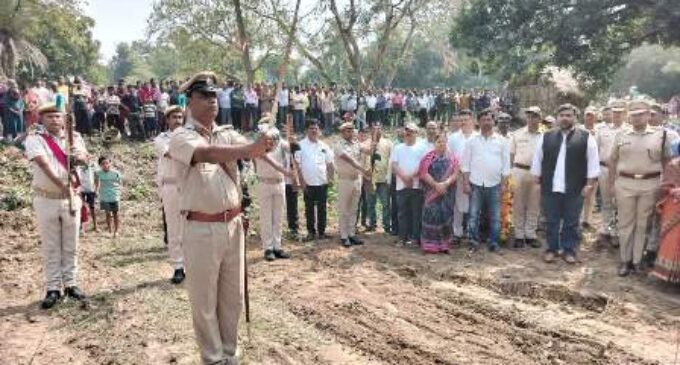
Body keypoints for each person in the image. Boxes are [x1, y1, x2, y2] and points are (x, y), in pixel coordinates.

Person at [168, 72, 270, 364]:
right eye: (204, 96)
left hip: (233, 224)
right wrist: (250, 149)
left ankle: (229, 354)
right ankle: (212, 358)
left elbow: (250, 146)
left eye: (214, 96)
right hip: (200, 227)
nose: (212, 100)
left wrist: (266, 140)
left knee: (232, 297)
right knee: (204, 301)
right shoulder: (181, 136)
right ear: (189, 102)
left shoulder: (225, 132)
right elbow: (207, 153)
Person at [24, 103, 89, 309]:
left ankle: (71, 283)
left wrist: (78, 158)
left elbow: (85, 158)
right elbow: (44, 164)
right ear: (41, 119)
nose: (54, 119)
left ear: (63, 119)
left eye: (57, 116)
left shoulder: (75, 138)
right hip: (47, 198)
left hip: (71, 199)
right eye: (49, 116)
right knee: (51, 245)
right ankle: (53, 287)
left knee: (71, 244)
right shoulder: (35, 139)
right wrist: (63, 185)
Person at [531, 104, 600, 264]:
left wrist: (589, 185)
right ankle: (551, 249)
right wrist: (537, 181)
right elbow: (537, 160)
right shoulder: (546, 136)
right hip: (550, 186)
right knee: (551, 220)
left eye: (568, 115)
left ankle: (569, 250)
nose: (565, 118)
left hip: (575, 188)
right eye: (562, 115)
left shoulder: (586, 137)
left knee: (571, 221)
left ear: (575, 118)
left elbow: (593, 162)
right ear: (557, 117)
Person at [609, 100, 670, 276]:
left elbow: (666, 163)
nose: (637, 117)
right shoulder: (621, 135)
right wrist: (612, 184)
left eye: (641, 114)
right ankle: (625, 260)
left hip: (650, 184)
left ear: (649, 114)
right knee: (625, 223)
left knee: (644, 224)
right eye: (634, 114)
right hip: (625, 183)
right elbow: (613, 161)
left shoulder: (660, 135)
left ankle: (637, 261)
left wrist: (664, 186)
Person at [461, 109, 511, 252]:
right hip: (475, 183)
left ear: (493, 121)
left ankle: (493, 242)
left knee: (495, 216)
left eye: (489, 120)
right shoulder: (471, 141)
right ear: (479, 122)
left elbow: (506, 166)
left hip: (495, 184)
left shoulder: (502, 141)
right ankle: (473, 241)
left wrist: (503, 185)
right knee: (473, 214)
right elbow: (465, 165)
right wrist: (465, 183)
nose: (486, 122)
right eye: (483, 120)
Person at [154, 105, 186, 284]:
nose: (178, 120)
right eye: (174, 117)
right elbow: (170, 154)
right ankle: (178, 266)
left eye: (180, 117)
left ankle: (191, 263)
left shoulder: (189, 136)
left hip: (188, 186)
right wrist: (191, 153)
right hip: (171, 185)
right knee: (174, 227)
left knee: (190, 226)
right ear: (167, 120)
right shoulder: (161, 138)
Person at [254, 121, 292, 261]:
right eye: (268, 139)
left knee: (278, 216)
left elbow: (293, 148)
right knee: (266, 217)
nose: (271, 142)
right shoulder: (258, 146)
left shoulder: (280, 143)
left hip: (279, 183)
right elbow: (269, 160)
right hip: (265, 183)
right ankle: (268, 248)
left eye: (273, 139)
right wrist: (286, 172)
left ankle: (277, 246)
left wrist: (292, 140)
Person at [418, 133, 459, 253]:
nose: (442, 144)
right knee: (431, 217)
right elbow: (423, 173)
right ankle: (429, 246)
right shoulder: (428, 157)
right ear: (434, 143)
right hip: (431, 192)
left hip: (447, 192)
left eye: (444, 141)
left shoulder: (453, 158)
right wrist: (436, 185)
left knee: (445, 217)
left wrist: (445, 184)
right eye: (439, 142)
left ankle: (445, 245)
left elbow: (455, 173)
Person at [296, 119, 334, 241]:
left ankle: (322, 232)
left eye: (316, 128)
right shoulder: (300, 145)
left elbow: (329, 164)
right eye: (311, 128)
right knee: (309, 209)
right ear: (306, 130)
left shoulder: (324, 146)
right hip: (308, 183)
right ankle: (311, 232)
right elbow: (297, 165)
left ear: (319, 130)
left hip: (322, 182)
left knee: (322, 208)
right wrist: (301, 182)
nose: (314, 130)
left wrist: (331, 178)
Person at [334, 121, 371, 247]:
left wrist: (375, 138)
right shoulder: (339, 145)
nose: (350, 133)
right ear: (342, 132)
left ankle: (351, 233)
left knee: (354, 208)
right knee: (344, 208)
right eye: (347, 131)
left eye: (351, 130)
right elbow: (350, 160)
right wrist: (363, 170)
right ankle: (344, 236)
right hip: (345, 180)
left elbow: (369, 151)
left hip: (356, 179)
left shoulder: (356, 144)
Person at [595, 100, 627, 246]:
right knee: (606, 201)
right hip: (604, 169)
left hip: (621, 171)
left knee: (619, 202)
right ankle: (606, 229)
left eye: (620, 113)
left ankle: (616, 231)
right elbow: (595, 151)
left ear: (625, 114)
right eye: (614, 112)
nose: (617, 115)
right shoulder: (602, 130)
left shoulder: (628, 131)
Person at [510, 106, 543, 248]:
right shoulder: (517, 134)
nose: (531, 119)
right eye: (529, 116)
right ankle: (519, 234)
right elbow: (511, 156)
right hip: (519, 170)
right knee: (518, 204)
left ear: (539, 118)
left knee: (534, 204)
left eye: (534, 116)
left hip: (536, 173)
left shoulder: (544, 136)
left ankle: (530, 234)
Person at [391, 122, 428, 246]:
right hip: (401, 185)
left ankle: (415, 238)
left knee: (416, 213)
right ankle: (402, 238)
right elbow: (394, 164)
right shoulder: (398, 147)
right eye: (406, 131)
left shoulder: (422, 148)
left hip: (416, 186)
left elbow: (423, 165)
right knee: (402, 213)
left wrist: (411, 177)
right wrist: (404, 177)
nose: (408, 133)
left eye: (411, 131)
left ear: (416, 133)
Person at [651, 140, 680, 283]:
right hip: (673, 206)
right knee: (672, 239)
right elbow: (664, 187)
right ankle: (667, 275)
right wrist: (674, 191)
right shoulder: (673, 165)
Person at [447, 110, 478, 243]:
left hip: (475, 176)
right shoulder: (453, 137)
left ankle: (472, 233)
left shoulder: (478, 137)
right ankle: (457, 233)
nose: (464, 122)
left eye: (466, 119)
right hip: (458, 175)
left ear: (472, 120)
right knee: (458, 206)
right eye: (461, 120)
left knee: (475, 205)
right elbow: (450, 157)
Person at [362, 123, 393, 233]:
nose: (376, 130)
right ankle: (372, 223)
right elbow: (362, 161)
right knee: (370, 203)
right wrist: (365, 176)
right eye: (374, 128)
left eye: (379, 128)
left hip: (383, 178)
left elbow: (391, 161)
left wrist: (389, 177)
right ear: (370, 130)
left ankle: (387, 225)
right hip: (370, 179)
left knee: (385, 203)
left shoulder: (388, 143)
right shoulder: (365, 144)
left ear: (382, 130)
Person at [580, 106, 600, 230]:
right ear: (584, 116)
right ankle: (577, 219)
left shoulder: (600, 131)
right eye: (587, 115)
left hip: (593, 166)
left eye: (592, 115)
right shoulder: (577, 129)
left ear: (596, 117)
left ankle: (587, 220)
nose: (589, 117)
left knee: (591, 194)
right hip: (580, 166)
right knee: (579, 194)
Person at [95, 156, 122, 238]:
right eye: (103, 164)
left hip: (114, 195)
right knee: (107, 213)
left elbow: (120, 183)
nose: (105, 165)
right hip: (104, 195)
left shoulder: (115, 173)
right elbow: (96, 183)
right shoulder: (98, 173)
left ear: (110, 163)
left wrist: (118, 191)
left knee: (115, 213)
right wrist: (96, 190)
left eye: (107, 163)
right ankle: (110, 231)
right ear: (100, 165)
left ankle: (116, 231)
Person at [78, 158, 98, 233]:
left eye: (86, 158)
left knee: (92, 208)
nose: (84, 160)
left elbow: (97, 178)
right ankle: (81, 227)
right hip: (81, 191)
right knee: (81, 208)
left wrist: (96, 189)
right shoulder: (78, 167)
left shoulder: (93, 166)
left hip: (91, 190)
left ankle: (95, 226)